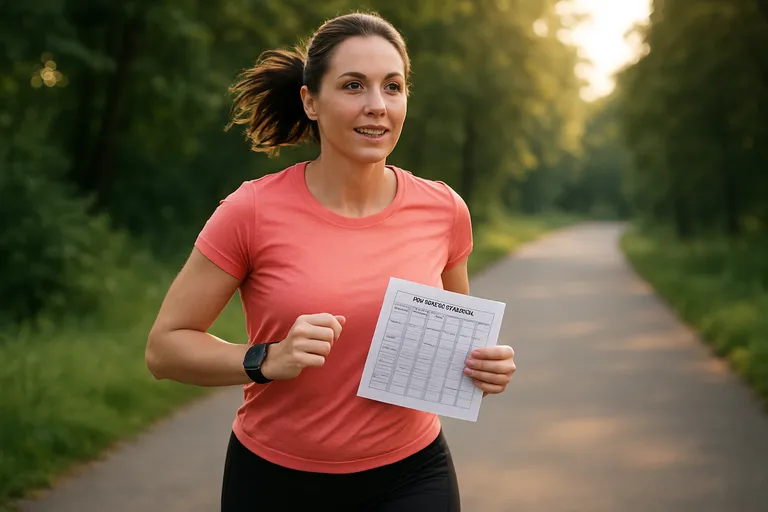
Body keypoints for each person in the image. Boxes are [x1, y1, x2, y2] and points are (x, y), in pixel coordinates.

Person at [145, 11, 516, 511]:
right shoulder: (251, 210)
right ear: (311, 101)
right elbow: (165, 349)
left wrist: (482, 370)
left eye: (392, 86)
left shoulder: (444, 209)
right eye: (353, 85)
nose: (377, 105)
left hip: (412, 477)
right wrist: (266, 359)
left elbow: (453, 351)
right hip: (276, 482)